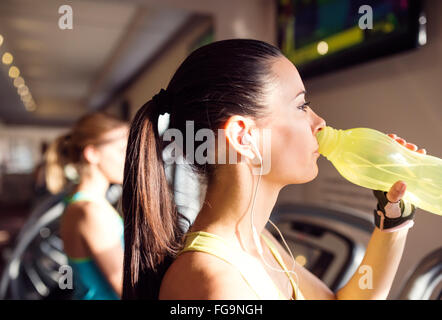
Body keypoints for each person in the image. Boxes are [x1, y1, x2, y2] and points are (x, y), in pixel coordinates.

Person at [122, 39, 426, 300]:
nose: (319, 122)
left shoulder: (261, 239)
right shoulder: (213, 282)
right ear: (244, 137)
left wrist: (393, 221)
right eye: (301, 106)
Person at [45, 112, 128, 299]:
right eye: (122, 150)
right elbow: (127, 289)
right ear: (92, 154)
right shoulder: (91, 212)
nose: (129, 158)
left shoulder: (80, 201)